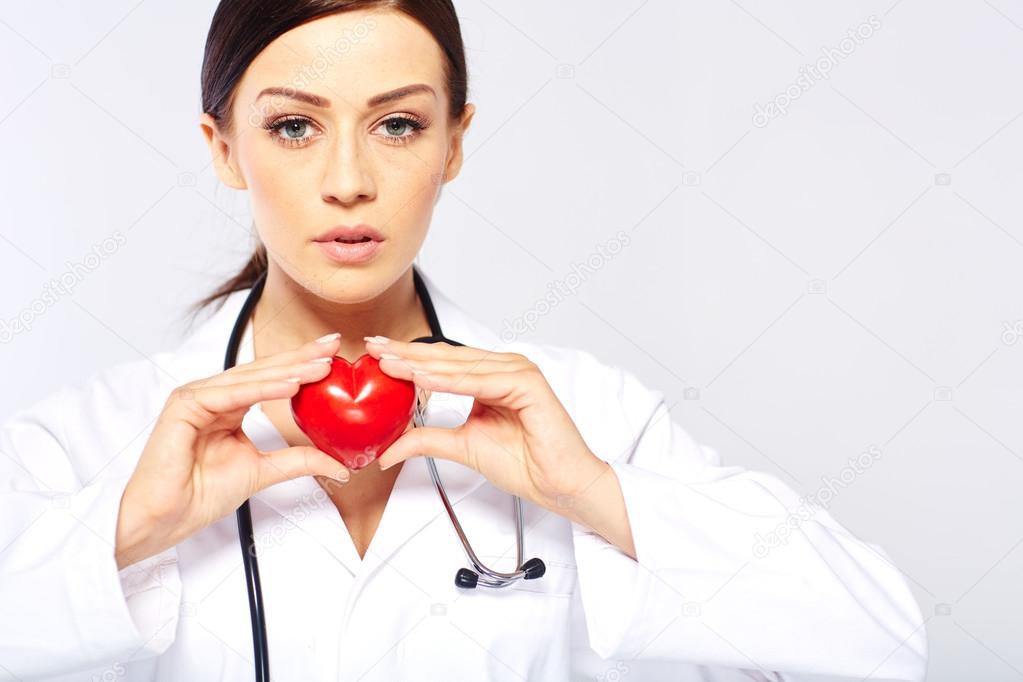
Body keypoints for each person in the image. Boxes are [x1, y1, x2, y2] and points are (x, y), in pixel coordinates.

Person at [0, 1, 928, 680]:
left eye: (397, 124)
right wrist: (123, 533)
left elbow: (881, 643)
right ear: (222, 148)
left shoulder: (592, 416)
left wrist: (595, 494)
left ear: (452, 143)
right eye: (293, 126)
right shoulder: (83, 440)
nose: (349, 180)